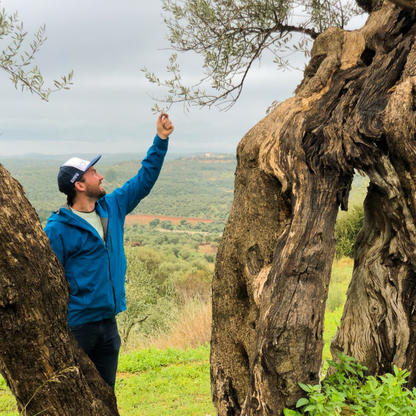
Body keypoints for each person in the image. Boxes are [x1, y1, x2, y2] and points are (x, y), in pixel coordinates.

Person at [44, 113, 174, 390]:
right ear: (79, 185)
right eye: (93, 173)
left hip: (108, 324)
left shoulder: (111, 207)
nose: (100, 175)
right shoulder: (57, 228)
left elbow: (143, 180)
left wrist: (160, 140)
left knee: (106, 396)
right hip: (78, 327)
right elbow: (49, 283)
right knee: (75, 396)